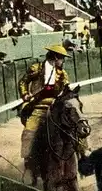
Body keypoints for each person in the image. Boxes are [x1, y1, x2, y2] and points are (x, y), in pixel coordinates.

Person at [18, 45, 72, 181]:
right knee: (29, 131)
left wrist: (64, 95)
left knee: (74, 122)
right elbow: (23, 81)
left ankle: (82, 153)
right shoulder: (36, 68)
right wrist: (25, 94)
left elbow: (66, 89)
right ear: (55, 57)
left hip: (56, 105)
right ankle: (28, 164)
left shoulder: (62, 73)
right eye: (62, 58)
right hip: (39, 105)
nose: (63, 61)